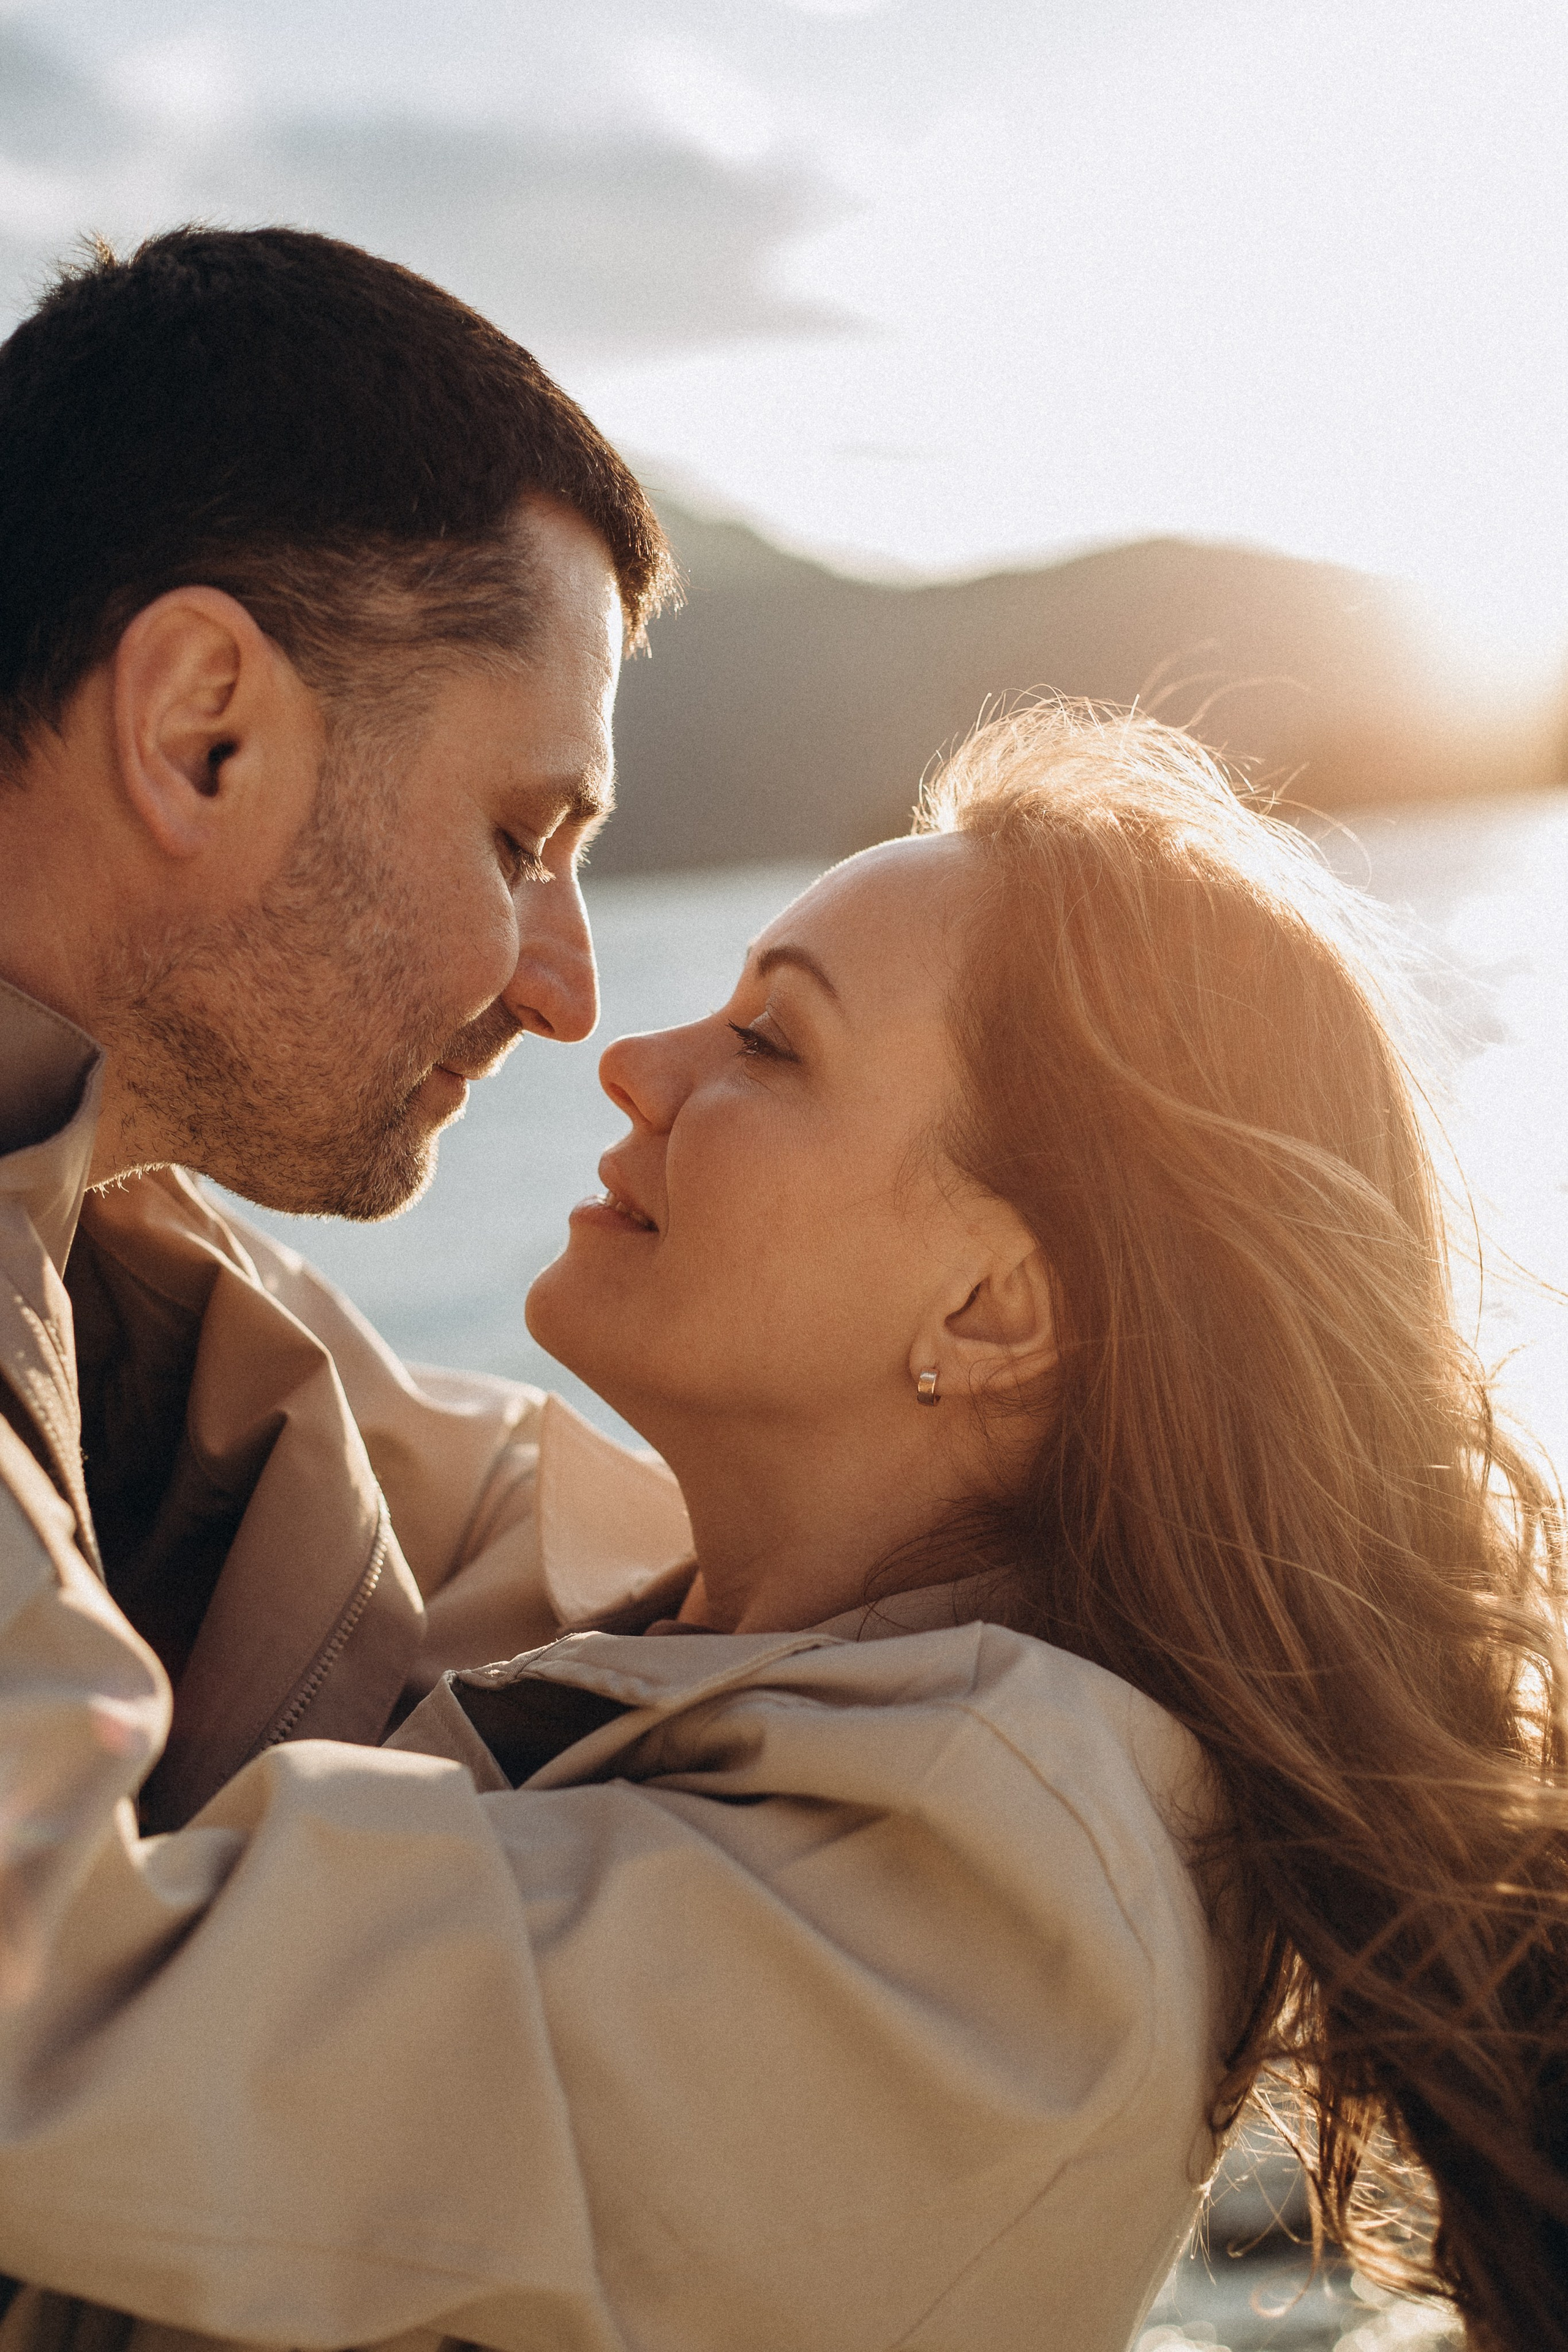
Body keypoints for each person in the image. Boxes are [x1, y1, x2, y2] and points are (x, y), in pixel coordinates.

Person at [1, 703, 1563, 2352]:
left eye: (770, 1043)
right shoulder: (700, 1609)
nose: (634, 1062)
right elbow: (211, 1342)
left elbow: (62, 2000)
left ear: (994, 1307)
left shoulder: (985, 1929)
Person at [0, 224, 696, 1843]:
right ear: (203, 735)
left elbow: (503, 1508)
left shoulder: (118, 1241)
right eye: (519, 841)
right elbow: (80, 1987)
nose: (570, 997)